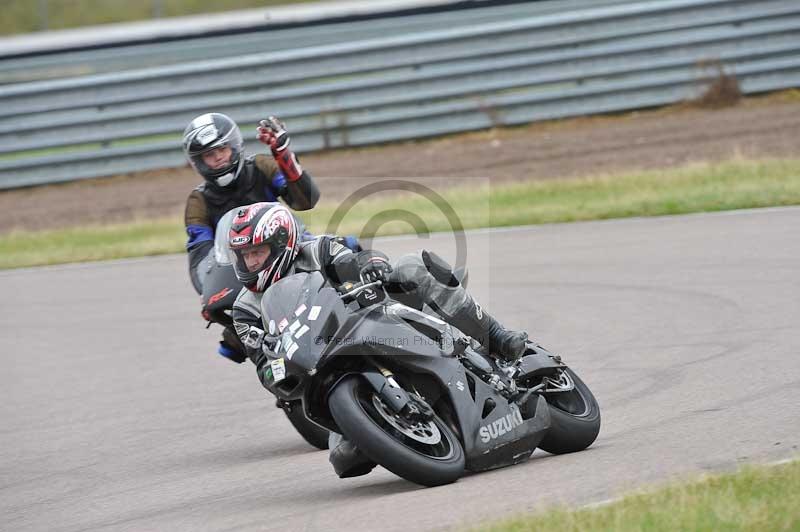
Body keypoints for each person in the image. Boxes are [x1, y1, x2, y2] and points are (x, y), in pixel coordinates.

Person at [227, 202, 529, 477]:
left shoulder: (316, 250)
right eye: (245, 256)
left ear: (282, 243)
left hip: (368, 319)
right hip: (322, 363)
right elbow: (263, 363)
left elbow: (355, 259)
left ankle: (496, 336)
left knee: (411, 266)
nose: (251, 263)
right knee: (344, 458)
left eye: (258, 253)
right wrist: (273, 365)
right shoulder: (244, 309)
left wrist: (373, 265)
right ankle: (391, 428)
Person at [182, 112, 321, 361]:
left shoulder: (261, 166)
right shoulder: (198, 201)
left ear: (233, 146)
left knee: (347, 254)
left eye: (221, 150)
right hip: (249, 273)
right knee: (234, 337)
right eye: (209, 156)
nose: (218, 159)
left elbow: (305, 200)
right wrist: (209, 293)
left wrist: (285, 158)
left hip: (291, 248)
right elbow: (200, 258)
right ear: (199, 162)